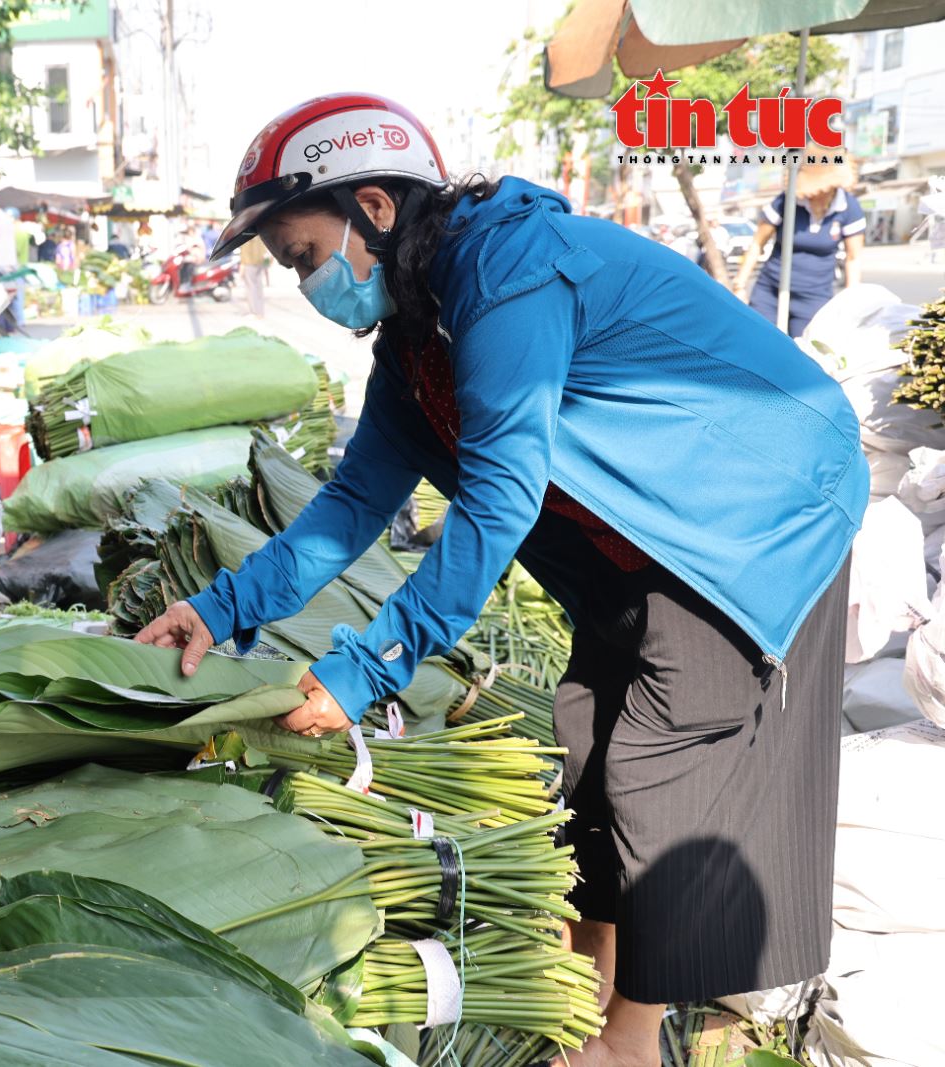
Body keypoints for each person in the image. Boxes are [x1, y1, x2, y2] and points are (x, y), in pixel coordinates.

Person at [134, 93, 862, 1067]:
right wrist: (213, 611)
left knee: (654, 751)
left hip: (748, 509)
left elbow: (496, 498)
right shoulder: (412, 340)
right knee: (585, 734)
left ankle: (630, 1045)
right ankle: (596, 991)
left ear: (375, 210)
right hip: (638, 543)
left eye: (304, 255)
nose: (307, 283)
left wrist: (365, 669)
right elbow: (350, 507)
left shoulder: (508, 269)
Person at [734, 162, 865, 337]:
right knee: (759, 344)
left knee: (806, 354)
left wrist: (850, 303)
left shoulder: (849, 207)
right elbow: (757, 244)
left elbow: (853, 258)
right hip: (770, 292)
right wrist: (740, 285)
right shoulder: (785, 201)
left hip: (815, 297)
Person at [238, 235, 269, 318]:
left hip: (249, 262)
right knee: (258, 287)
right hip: (260, 261)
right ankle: (260, 312)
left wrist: (242, 264)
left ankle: (254, 312)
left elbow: (244, 250)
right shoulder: (258, 231)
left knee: (251, 287)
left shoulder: (245, 233)